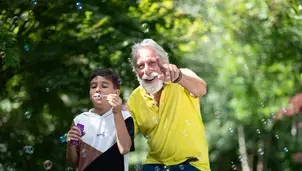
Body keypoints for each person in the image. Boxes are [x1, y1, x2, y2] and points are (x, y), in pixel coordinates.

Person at [126, 39, 210, 171]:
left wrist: (179, 78)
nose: (146, 70)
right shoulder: (135, 98)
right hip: (155, 165)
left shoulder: (183, 76)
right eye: (140, 66)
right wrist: (115, 114)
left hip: (191, 164)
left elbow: (201, 89)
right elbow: (124, 142)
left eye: (152, 63)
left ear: (164, 62)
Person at [66, 68, 135, 171]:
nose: (97, 89)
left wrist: (117, 112)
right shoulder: (80, 120)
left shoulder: (124, 117)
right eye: (93, 86)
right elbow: (74, 163)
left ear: (116, 93)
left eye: (104, 86)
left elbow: (124, 148)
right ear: (90, 93)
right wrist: (70, 144)